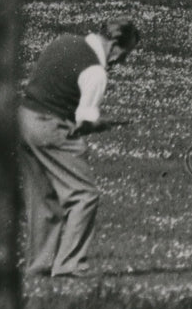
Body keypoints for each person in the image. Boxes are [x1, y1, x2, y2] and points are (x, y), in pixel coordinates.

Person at [19, 17, 140, 277]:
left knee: (43, 197)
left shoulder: (64, 41)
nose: (123, 61)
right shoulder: (96, 72)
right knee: (84, 194)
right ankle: (69, 266)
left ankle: (39, 266)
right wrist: (98, 124)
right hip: (48, 128)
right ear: (115, 44)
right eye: (125, 53)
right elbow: (84, 121)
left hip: (23, 119)